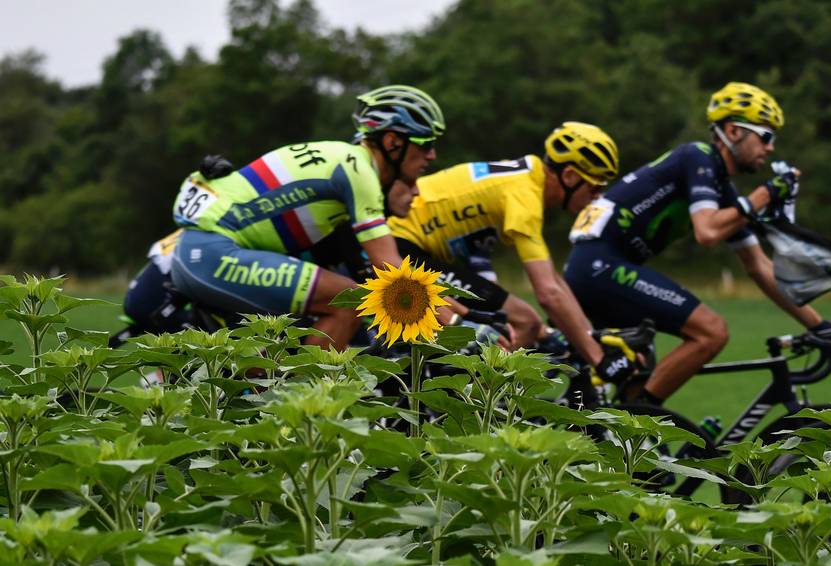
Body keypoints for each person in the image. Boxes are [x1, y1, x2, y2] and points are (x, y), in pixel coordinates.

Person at [562, 82, 831, 404]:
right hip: (601, 267)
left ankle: (624, 438)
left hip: (597, 269)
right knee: (711, 332)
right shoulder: (699, 156)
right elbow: (707, 232)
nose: (771, 148)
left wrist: (821, 326)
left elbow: (759, 266)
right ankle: (644, 422)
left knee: (637, 374)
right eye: (766, 136)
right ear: (734, 131)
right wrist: (765, 195)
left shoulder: (724, 192)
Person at [152, 85, 443, 350]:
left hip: (200, 252)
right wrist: (451, 318)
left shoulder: (342, 158)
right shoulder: (360, 171)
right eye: (426, 143)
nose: (432, 155)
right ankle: (307, 403)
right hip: (211, 255)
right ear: (393, 142)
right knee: (350, 302)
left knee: (267, 365)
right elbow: (391, 269)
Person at [386, 122, 635, 383]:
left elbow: (554, 280)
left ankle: (462, 389)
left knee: (520, 323)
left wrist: (589, 336)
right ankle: (472, 398)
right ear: (570, 176)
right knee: (524, 322)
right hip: (401, 245)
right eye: (594, 188)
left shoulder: (527, 180)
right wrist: (598, 359)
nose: (596, 198)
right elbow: (548, 294)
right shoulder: (524, 196)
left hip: (415, 246)